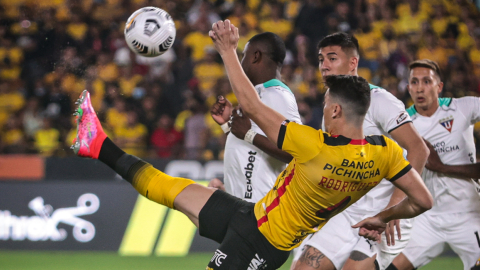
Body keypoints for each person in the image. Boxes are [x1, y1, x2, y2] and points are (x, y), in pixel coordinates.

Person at [71, 21, 433, 269]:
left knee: (168, 191)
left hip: (262, 241)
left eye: (325, 105)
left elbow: (253, 106)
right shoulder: (383, 153)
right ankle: (97, 143)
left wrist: (228, 50)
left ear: (336, 110)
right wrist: (383, 217)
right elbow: (423, 200)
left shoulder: (313, 145)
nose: (322, 108)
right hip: (252, 215)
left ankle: (98, 145)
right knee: (171, 189)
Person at [292, 32, 429, 270]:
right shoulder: (331, 102)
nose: (324, 66)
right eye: (321, 59)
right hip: (345, 210)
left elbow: (419, 149)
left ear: (353, 63)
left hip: (384, 212)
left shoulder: (380, 101)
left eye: (332, 58)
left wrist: (393, 209)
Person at [385, 59, 480, 270]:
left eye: (427, 81)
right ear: (408, 88)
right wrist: (392, 210)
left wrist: (441, 166)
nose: (420, 88)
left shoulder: (462, 108)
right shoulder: (401, 125)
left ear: (439, 86)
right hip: (427, 219)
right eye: (414, 82)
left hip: (468, 215)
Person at [208, 32, 301, 202]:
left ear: (256, 56)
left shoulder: (276, 94)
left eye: (244, 56)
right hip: (243, 207)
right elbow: (250, 149)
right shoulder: (258, 95)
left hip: (262, 211)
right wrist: (227, 126)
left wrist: (248, 135)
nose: (242, 62)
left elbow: (294, 153)